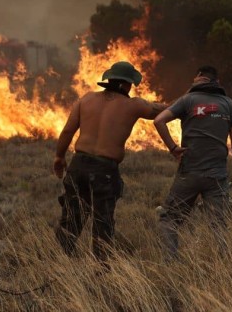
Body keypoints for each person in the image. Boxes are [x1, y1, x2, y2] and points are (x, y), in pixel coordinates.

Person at [53, 61, 166, 260]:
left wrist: (59, 156)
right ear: (126, 84)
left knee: (71, 217)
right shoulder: (134, 104)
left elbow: (68, 131)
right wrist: (189, 103)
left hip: (77, 165)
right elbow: (161, 111)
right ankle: (101, 270)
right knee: (102, 222)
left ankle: (61, 262)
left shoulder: (86, 99)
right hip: (104, 170)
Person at [153, 66, 232, 258]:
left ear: (199, 78)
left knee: (169, 219)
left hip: (190, 173)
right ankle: (223, 267)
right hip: (217, 176)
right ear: (217, 83)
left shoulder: (187, 100)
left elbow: (159, 120)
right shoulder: (230, 105)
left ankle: (170, 263)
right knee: (218, 225)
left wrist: (172, 148)